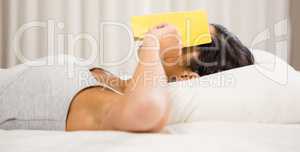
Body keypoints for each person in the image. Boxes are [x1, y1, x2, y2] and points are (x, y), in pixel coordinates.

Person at [0, 23, 254, 132]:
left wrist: (152, 45)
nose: (175, 32)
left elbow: (146, 109)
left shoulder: (99, 101)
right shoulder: (116, 83)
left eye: (187, 40)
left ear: (187, 77)